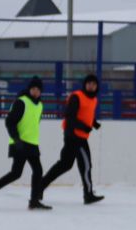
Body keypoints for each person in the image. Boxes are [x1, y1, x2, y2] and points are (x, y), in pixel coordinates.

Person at [0, 75, 49, 211]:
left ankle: (34, 201)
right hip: (20, 143)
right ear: (29, 89)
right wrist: (16, 139)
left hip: (32, 143)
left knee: (37, 170)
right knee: (16, 173)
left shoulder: (40, 105)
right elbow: (9, 122)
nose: (35, 91)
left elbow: (34, 124)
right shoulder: (21, 102)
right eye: (33, 88)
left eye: (38, 89)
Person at [35, 72, 105, 207]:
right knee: (86, 165)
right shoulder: (76, 97)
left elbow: (86, 115)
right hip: (74, 135)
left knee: (65, 164)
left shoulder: (94, 99)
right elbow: (69, 116)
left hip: (79, 135)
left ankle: (40, 186)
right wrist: (84, 127)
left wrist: (93, 123)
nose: (91, 86)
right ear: (85, 85)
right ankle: (88, 194)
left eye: (94, 84)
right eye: (89, 83)